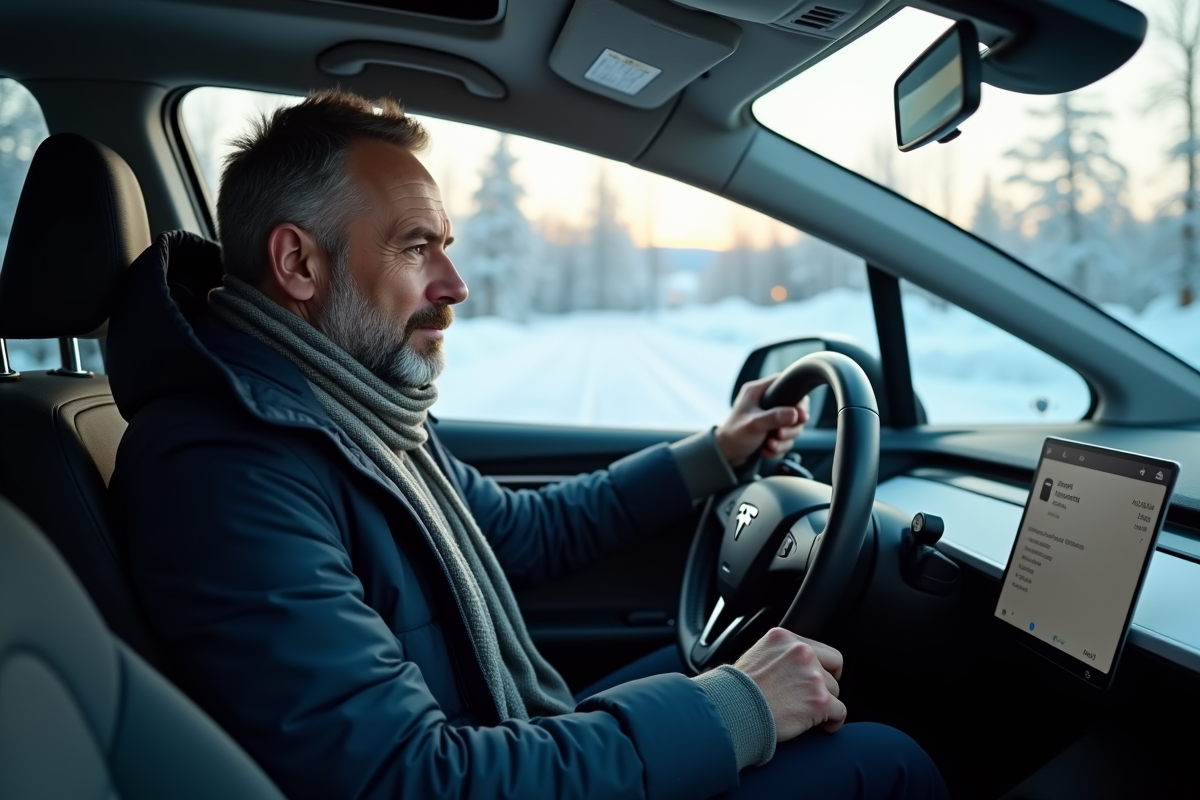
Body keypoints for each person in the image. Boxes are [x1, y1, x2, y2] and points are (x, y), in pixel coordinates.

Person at [107, 89, 947, 800]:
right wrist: (736, 710)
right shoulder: (228, 470)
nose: (455, 285)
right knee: (888, 759)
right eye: (416, 246)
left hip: (492, 730)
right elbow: (407, 778)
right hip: (462, 766)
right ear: (298, 263)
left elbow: (522, 533)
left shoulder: (347, 412)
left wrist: (715, 455)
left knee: (741, 656)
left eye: (447, 246)